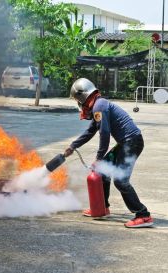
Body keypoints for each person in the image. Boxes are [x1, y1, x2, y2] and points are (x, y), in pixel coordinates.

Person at [64, 78, 153, 228]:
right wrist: (73, 146)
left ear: (82, 97)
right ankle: (102, 208)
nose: (78, 103)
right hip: (126, 143)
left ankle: (143, 215)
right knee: (102, 170)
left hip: (132, 143)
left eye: (77, 100)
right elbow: (91, 130)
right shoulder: (98, 105)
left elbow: (104, 134)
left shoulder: (99, 106)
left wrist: (98, 158)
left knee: (121, 180)